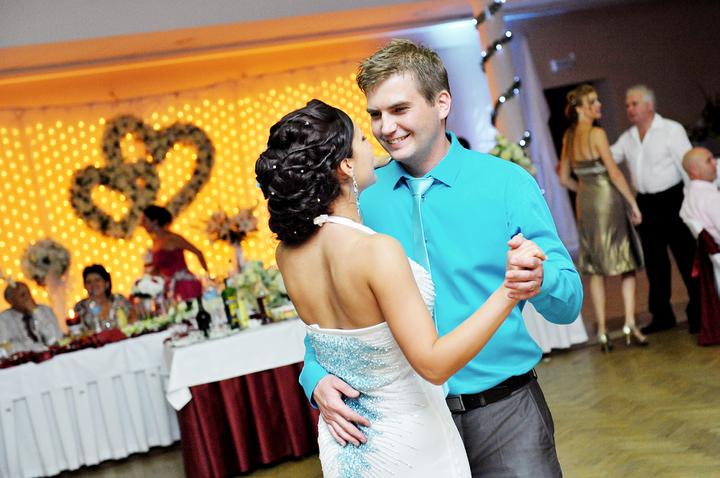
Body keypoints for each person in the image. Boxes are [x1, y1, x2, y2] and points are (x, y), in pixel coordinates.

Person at [299, 39, 583, 477]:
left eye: (400, 109)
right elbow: (333, 311)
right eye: (375, 114)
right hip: (407, 427)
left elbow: (568, 304)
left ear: (442, 103)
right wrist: (314, 375)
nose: (386, 127)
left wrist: (540, 278)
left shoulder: (506, 183)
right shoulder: (362, 199)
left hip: (505, 415)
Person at [256, 98, 546, 477]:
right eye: (362, 139)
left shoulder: (287, 254)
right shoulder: (376, 251)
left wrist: (316, 378)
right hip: (408, 441)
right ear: (345, 165)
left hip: (348, 443)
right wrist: (509, 290)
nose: (374, 143)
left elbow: (334, 342)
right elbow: (433, 364)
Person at [559, 84, 646, 351]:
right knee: (625, 260)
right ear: (581, 109)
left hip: (585, 202)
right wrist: (633, 203)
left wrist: (584, 190)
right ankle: (630, 324)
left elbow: (563, 178)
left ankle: (602, 331)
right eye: (593, 102)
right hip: (607, 200)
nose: (599, 105)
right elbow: (614, 173)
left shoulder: (569, 136)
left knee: (595, 267)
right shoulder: (597, 133)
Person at [611, 85, 699, 334]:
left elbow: (686, 165)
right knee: (655, 262)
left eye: (634, 103)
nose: (629, 109)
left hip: (673, 199)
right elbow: (608, 157)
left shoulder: (671, 129)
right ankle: (662, 315)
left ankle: (699, 312)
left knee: (686, 257)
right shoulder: (628, 137)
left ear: (649, 105)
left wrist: (692, 201)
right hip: (646, 204)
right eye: (627, 105)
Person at [141, 205, 208, 300]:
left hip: (185, 285)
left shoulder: (172, 238)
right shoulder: (155, 243)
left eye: (144, 221)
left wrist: (208, 277)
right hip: (170, 289)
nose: (142, 224)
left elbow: (198, 252)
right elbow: (159, 268)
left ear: (154, 221)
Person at [0, 282, 62, 354]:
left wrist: (36, 312)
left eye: (28, 293)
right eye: (22, 295)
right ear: (11, 300)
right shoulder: (3, 319)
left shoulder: (45, 310)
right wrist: (35, 348)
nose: (28, 298)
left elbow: (56, 338)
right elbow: (5, 347)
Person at [74, 264, 135, 331]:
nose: (93, 284)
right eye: (89, 282)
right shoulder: (81, 307)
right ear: (85, 286)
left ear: (107, 283)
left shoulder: (118, 299)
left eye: (97, 280)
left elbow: (134, 318)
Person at [680, 147, 720, 246]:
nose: (715, 162)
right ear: (694, 171)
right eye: (709, 161)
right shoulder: (711, 198)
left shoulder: (688, 196)